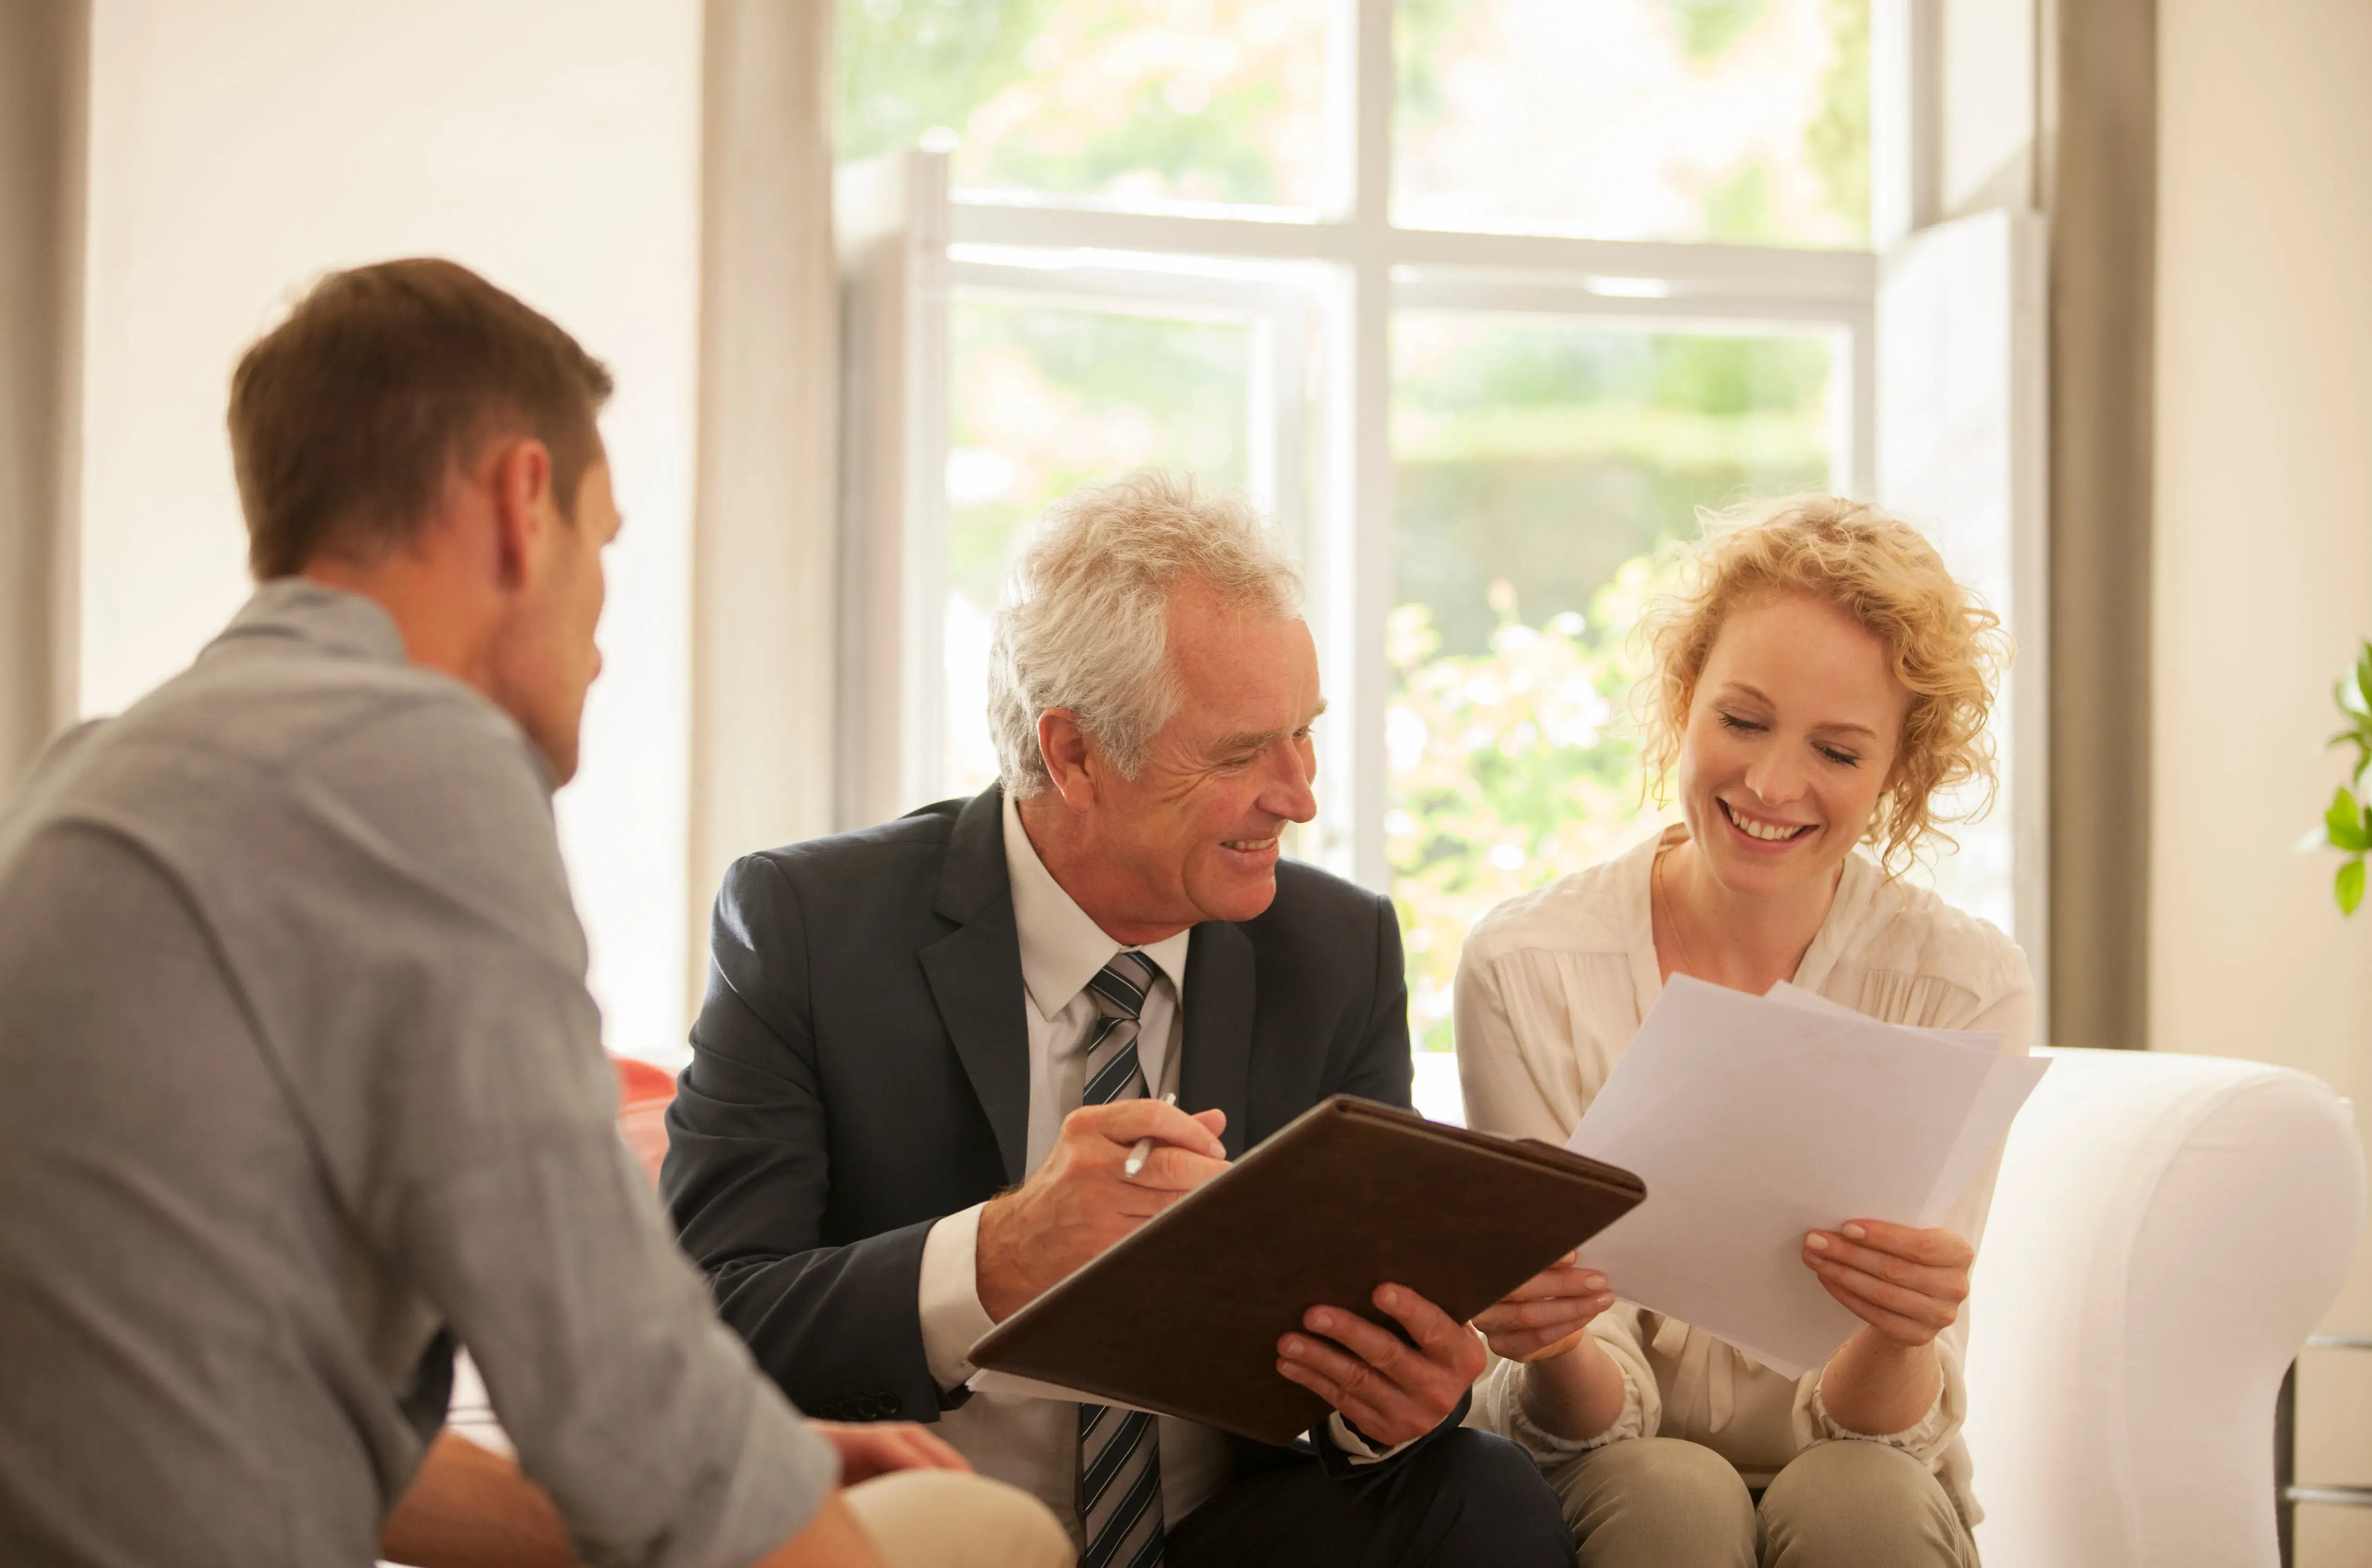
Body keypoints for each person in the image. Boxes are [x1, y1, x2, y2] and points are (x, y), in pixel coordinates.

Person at [0, 259, 1069, 1568]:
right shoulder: (410, 758)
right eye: (602, 542)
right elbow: (602, 1360)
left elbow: (320, 1434)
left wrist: (764, 1467)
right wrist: (767, 1511)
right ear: (521, 504)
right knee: (983, 1530)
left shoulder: (95, 773)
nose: (602, 627)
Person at [661, 470, 1575, 1568]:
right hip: (923, 1531)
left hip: (1214, 1535)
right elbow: (705, 1321)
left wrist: (1387, 1402)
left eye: (1304, 734)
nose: (1300, 794)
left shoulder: (1336, 951)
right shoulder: (810, 926)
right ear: (1075, 754)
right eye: (1240, 753)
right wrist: (994, 1257)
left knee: (1479, 1489)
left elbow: (1361, 1349)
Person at [1454, 495, 2032, 1568]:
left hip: (1865, 1474)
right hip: (1598, 1472)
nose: (1771, 785)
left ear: (1897, 772)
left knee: (1857, 1499)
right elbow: (1575, 1414)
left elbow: (1881, 1433)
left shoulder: (1961, 987)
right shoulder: (1526, 968)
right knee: (1668, 1493)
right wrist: (1557, 1338)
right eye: (1743, 720)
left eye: (1839, 750)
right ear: (1685, 701)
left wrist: (1903, 1327)